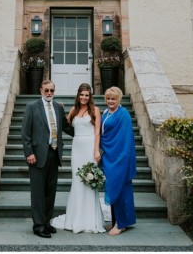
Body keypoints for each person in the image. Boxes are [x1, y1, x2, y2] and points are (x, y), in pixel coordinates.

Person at [50, 83, 106, 233]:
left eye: (87, 95)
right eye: (82, 94)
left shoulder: (95, 110)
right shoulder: (74, 110)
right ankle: (75, 218)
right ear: (78, 95)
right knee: (77, 181)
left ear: (90, 96)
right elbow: (65, 124)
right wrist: (60, 110)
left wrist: (96, 151)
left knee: (89, 181)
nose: (84, 97)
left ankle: (89, 219)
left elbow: (97, 133)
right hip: (76, 148)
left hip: (89, 147)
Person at [21, 80, 73, 238]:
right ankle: (38, 225)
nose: (49, 93)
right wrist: (29, 152)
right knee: (38, 192)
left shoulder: (58, 107)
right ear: (41, 90)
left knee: (50, 191)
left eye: (52, 90)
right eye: (46, 90)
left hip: (54, 153)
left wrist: (87, 132)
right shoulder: (32, 107)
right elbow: (25, 133)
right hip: (37, 155)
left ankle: (47, 222)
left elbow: (65, 126)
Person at [100, 86, 137, 235]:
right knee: (115, 187)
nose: (110, 101)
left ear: (119, 99)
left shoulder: (124, 114)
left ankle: (121, 224)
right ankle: (120, 221)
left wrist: (121, 159)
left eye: (113, 99)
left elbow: (126, 139)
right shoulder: (106, 112)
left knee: (120, 188)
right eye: (108, 98)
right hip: (109, 155)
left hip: (120, 157)